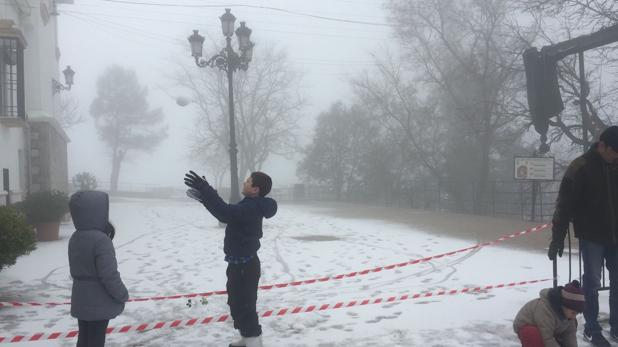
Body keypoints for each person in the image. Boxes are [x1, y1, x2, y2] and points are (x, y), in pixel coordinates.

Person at [184, 171, 277, 347]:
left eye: (248, 181)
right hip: (239, 264)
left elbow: (225, 213)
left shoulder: (251, 207)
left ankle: (254, 342)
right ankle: (247, 339)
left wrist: (206, 190)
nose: (244, 183)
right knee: (237, 304)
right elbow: (227, 214)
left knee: (244, 306)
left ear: (255, 189)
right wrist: (206, 198)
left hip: (245, 266)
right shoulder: (250, 204)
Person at [548, 126, 618, 347]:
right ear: (601, 145)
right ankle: (591, 328)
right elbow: (564, 204)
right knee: (592, 282)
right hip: (592, 236)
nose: (616, 156)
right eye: (614, 151)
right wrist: (557, 236)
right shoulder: (580, 167)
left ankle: (616, 327)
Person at [68, 191, 129, 347]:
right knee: (95, 341)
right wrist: (122, 294)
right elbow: (109, 275)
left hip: (81, 299)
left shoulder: (75, 237)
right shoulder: (101, 240)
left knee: (84, 339)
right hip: (99, 302)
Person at [513, 280, 585, 347]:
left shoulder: (569, 314)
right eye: (573, 313)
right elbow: (547, 338)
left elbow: (570, 335)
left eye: (577, 313)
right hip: (528, 326)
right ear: (563, 305)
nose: (574, 316)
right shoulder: (545, 310)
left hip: (549, 329)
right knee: (532, 334)